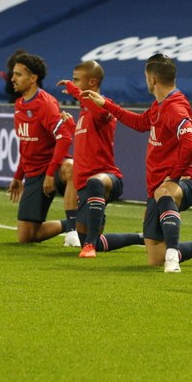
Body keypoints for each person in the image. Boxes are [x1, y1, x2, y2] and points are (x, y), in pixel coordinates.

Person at [80, 53, 192, 273]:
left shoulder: (175, 107)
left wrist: (174, 177)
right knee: (155, 257)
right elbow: (138, 122)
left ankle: (173, 259)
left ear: (152, 79)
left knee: (164, 193)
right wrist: (106, 104)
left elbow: (191, 144)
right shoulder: (159, 106)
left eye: (146, 77)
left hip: (181, 183)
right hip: (158, 186)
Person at [5, 53, 77, 243]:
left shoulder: (45, 103)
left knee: (71, 168)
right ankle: (77, 224)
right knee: (26, 237)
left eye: (18, 74)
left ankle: (73, 230)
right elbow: (26, 143)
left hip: (53, 169)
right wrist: (18, 176)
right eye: (13, 74)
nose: (13, 79)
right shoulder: (19, 105)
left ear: (33, 78)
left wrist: (51, 173)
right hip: (34, 174)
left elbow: (64, 137)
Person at [56, 61, 124, 259]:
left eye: (76, 80)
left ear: (92, 81)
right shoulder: (85, 113)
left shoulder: (104, 104)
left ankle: (90, 246)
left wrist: (75, 92)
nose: (72, 83)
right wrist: (70, 126)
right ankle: (142, 237)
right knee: (88, 236)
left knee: (95, 182)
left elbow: (102, 113)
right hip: (84, 186)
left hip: (107, 178)